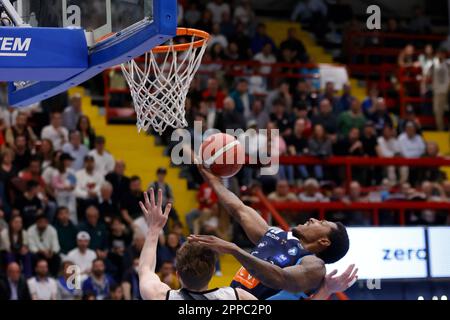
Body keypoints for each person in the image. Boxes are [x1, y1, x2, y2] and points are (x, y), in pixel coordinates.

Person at [190, 164, 354, 300]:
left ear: (324, 241)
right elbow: (239, 209)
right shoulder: (275, 234)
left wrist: (235, 250)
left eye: (322, 223)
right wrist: (214, 181)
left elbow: (281, 278)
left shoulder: (315, 266)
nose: (313, 220)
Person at [137, 189, 256, 300]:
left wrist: (154, 229)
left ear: (177, 274)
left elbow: (145, 269)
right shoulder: (237, 296)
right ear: (213, 271)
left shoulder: (160, 296)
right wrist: (234, 249)